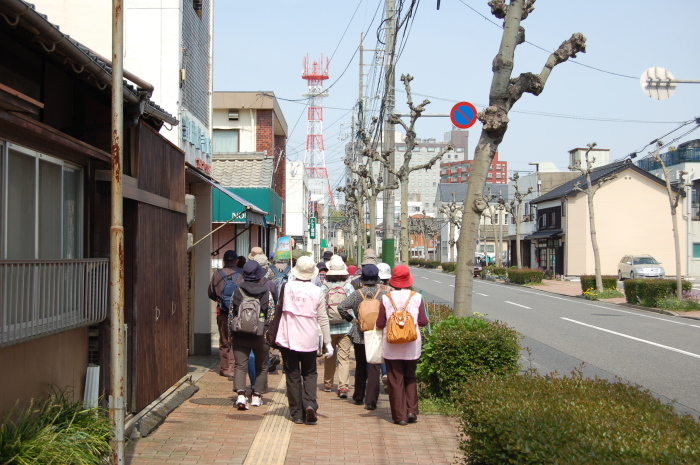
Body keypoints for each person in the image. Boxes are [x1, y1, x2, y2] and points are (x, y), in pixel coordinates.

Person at [275, 255, 334, 424]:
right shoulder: (318, 291)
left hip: (288, 337)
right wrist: (328, 343)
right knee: (309, 372)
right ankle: (309, 404)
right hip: (309, 338)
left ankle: (296, 414)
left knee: (292, 375)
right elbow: (323, 317)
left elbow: (279, 310)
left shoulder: (286, 287)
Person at [376, 265, 429, 425]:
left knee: (395, 379)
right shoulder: (417, 297)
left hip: (391, 345)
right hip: (412, 344)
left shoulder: (386, 298)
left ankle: (400, 416)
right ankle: (412, 410)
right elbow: (423, 321)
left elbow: (380, 323)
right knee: (410, 377)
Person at [337, 264, 387, 410]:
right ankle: (372, 400)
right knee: (375, 366)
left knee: (360, 366)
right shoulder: (383, 295)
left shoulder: (357, 294)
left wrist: (351, 320)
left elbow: (341, 307)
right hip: (377, 334)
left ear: (363, 278)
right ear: (377, 279)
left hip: (360, 334)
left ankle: (359, 396)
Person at [230, 260, 271, 410]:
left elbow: (231, 313)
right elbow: (270, 313)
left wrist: (230, 333)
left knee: (240, 365)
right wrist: (267, 331)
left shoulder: (237, 290)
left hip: (240, 334)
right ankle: (256, 396)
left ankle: (241, 395)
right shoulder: (265, 291)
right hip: (260, 334)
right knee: (261, 365)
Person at [321, 255, 355, 398]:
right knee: (344, 357)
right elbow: (353, 307)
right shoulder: (348, 287)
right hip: (346, 327)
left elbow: (321, 308)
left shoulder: (323, 286)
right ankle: (343, 387)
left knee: (329, 356)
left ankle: (328, 384)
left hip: (328, 327)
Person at [207, 250, 241, 377]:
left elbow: (210, 292)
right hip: (238, 312)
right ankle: (234, 368)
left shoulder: (217, 274)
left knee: (224, 340)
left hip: (222, 311)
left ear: (224, 261)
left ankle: (225, 369)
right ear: (236, 261)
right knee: (236, 341)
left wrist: (220, 299)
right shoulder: (241, 273)